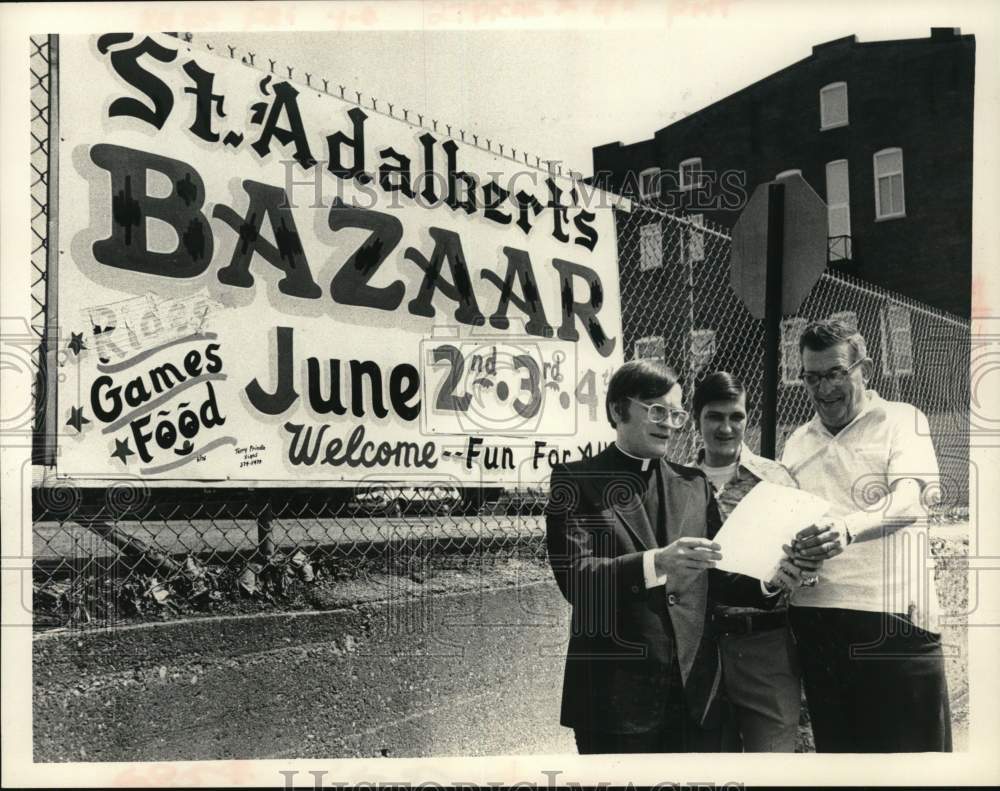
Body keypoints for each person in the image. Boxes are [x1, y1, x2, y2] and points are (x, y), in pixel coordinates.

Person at [545, 359, 801, 754]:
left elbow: (718, 574)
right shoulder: (577, 481)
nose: (668, 424)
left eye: (676, 415)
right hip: (614, 700)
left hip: (694, 697)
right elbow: (577, 579)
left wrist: (769, 582)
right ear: (618, 409)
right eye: (657, 411)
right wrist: (656, 563)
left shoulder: (694, 484)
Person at [782, 318, 951, 752]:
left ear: (866, 370)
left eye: (835, 373)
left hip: (892, 619)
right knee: (843, 767)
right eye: (812, 377)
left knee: (913, 770)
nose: (824, 389)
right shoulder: (797, 441)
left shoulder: (901, 420)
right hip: (817, 622)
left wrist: (848, 527)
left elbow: (910, 499)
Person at [691, 372, 814, 752]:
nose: (726, 428)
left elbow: (803, 557)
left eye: (736, 416)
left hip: (765, 642)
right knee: (710, 766)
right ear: (696, 419)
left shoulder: (774, 478)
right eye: (714, 416)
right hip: (701, 647)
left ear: (748, 418)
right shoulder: (678, 482)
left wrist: (795, 571)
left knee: (772, 765)